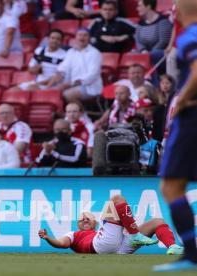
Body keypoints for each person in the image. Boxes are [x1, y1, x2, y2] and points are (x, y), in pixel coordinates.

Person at [154, 0, 197, 271]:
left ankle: (191, 254)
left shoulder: (190, 36)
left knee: (171, 186)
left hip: (191, 119)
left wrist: (182, 99)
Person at [39, 195, 183, 255]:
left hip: (120, 248)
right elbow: (60, 243)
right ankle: (135, 235)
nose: (84, 220)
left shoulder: (102, 231)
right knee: (116, 199)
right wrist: (47, 238)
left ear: (96, 223)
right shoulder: (73, 234)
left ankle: (172, 247)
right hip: (99, 246)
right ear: (77, 224)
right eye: (81, 219)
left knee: (157, 221)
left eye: (88, 218)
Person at [48, 28, 103, 102]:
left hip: (89, 87)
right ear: (75, 37)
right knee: (53, 92)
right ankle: (59, 113)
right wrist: (59, 73)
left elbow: (93, 74)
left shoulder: (94, 53)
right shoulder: (71, 51)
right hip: (72, 85)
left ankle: (81, 113)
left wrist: (72, 83)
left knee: (67, 95)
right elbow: (64, 66)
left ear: (89, 38)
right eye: (80, 35)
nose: (82, 38)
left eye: (85, 35)